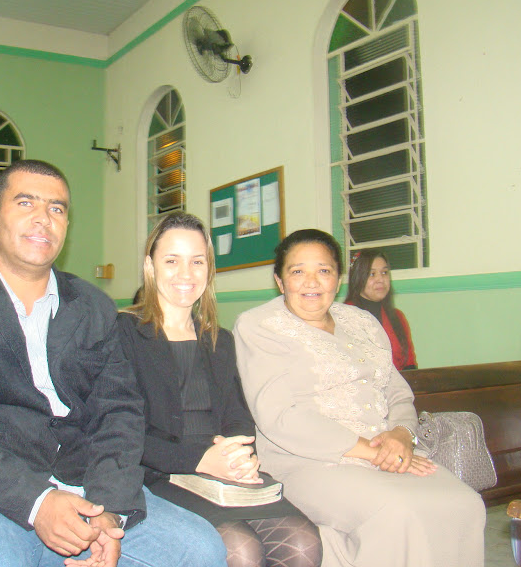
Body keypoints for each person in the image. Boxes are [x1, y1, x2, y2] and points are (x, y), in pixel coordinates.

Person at [0, 160, 226, 567]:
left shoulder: (93, 306)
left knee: (201, 550)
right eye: (26, 203)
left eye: (56, 208)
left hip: (85, 489)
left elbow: (119, 413)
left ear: (66, 225)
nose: (43, 218)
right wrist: (37, 502)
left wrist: (110, 510)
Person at [233, 229, 485, 567]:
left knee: (464, 504)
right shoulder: (259, 325)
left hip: (388, 451)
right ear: (280, 281)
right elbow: (279, 416)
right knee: (399, 512)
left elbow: (396, 391)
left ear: (338, 279)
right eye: (298, 271)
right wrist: (374, 452)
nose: (312, 281)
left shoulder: (361, 321)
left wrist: (402, 435)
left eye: (323, 270)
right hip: (309, 460)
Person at [117, 212, 322, 567]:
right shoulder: (122, 332)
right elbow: (121, 431)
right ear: (150, 266)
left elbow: (237, 416)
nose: (186, 274)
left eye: (197, 261)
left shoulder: (218, 339)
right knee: (239, 549)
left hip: (220, 472)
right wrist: (201, 460)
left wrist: (238, 456)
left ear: (209, 269)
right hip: (157, 475)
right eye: (172, 261)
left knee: (302, 542)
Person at [345, 250, 417, 370]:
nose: (380, 279)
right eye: (372, 274)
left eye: (384, 273)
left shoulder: (397, 316)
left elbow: (410, 363)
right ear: (357, 278)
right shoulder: (344, 318)